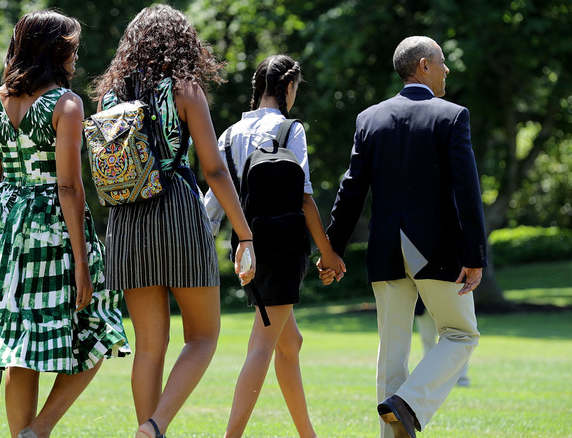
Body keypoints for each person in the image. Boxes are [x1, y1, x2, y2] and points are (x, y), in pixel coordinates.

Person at [89, 5, 256, 438]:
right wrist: (244, 232)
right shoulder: (184, 89)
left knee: (149, 347)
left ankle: (149, 430)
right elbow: (214, 170)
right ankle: (155, 425)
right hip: (177, 210)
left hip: (125, 220)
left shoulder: (109, 97)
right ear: (181, 41)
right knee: (202, 336)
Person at [0, 10, 130, 438]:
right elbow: (69, 187)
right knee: (100, 328)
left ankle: (27, 435)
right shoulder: (66, 104)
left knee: (20, 344)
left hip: (2, 229)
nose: (77, 55)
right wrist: (81, 262)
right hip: (50, 230)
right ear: (56, 49)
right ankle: (37, 432)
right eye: (72, 47)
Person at [321, 36, 487, 438]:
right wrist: (475, 254)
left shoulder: (369, 119)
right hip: (435, 249)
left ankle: (393, 425)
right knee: (462, 334)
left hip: (384, 250)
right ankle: (409, 404)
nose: (447, 69)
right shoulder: (452, 116)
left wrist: (331, 250)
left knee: (391, 354)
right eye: (443, 62)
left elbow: (351, 191)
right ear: (424, 65)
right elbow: (467, 190)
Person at [204, 54, 345, 438]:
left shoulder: (230, 134)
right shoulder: (290, 129)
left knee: (289, 342)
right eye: (295, 88)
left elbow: (213, 205)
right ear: (287, 88)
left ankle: (307, 435)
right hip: (284, 248)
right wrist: (327, 252)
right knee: (262, 345)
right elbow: (304, 197)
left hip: (247, 249)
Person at [414, 298, 470, 387]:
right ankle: (429, 377)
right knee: (427, 341)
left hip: (446, 301)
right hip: (423, 305)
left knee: (456, 338)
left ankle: (461, 377)